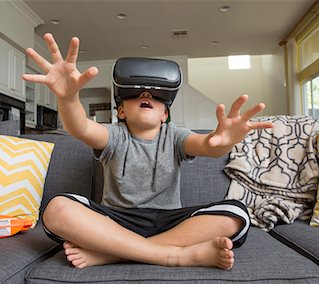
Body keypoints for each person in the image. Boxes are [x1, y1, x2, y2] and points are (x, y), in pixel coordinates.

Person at [23, 33, 273, 270]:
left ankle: (111, 254)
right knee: (56, 208)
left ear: (164, 114)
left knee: (236, 214)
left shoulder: (176, 136)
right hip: (115, 223)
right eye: (136, 94)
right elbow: (80, 127)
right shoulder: (114, 135)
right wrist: (68, 99)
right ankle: (173, 255)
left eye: (156, 96)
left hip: (170, 222)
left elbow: (209, 146)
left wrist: (225, 141)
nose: (146, 94)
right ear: (121, 111)